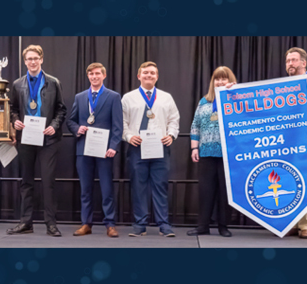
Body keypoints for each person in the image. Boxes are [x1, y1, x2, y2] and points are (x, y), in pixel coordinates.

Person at [7, 44, 67, 237]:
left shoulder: (53, 82)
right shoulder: (17, 84)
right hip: (26, 139)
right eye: (29, 59)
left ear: (41, 59)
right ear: (25, 62)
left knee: (48, 181)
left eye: (35, 58)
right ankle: (26, 222)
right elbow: (13, 109)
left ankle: (51, 224)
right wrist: (15, 121)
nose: (32, 62)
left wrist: (55, 126)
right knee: (26, 182)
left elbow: (61, 109)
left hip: (48, 139)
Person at [122, 61, 180, 238]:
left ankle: (164, 225)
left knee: (160, 187)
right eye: (145, 73)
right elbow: (121, 122)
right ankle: (140, 225)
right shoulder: (128, 98)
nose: (149, 75)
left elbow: (174, 120)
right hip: (137, 148)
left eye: (152, 73)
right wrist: (129, 136)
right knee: (138, 187)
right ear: (139, 76)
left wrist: (171, 135)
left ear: (157, 76)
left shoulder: (166, 97)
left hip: (160, 148)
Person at [67, 63, 123, 237]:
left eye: (97, 73)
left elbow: (118, 125)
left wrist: (113, 146)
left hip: (105, 150)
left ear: (104, 75)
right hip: (84, 148)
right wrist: (78, 129)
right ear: (88, 76)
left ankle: (110, 224)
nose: (94, 76)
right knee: (85, 188)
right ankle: (86, 223)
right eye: (91, 74)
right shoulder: (80, 97)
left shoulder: (113, 97)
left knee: (106, 188)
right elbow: (71, 121)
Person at [187, 66, 237, 238]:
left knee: (225, 192)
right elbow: (195, 125)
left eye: (224, 78)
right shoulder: (204, 101)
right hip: (206, 152)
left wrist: (236, 93)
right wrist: (194, 147)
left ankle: (223, 226)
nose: (220, 81)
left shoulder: (236, 98)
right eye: (217, 78)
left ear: (230, 80)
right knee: (205, 191)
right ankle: (203, 226)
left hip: (229, 154)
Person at [285, 47, 307, 238]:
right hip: (287, 142)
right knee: (291, 179)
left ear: (303, 63)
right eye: (287, 61)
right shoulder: (282, 87)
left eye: (293, 60)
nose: (290, 64)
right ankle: (291, 222)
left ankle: (305, 224)